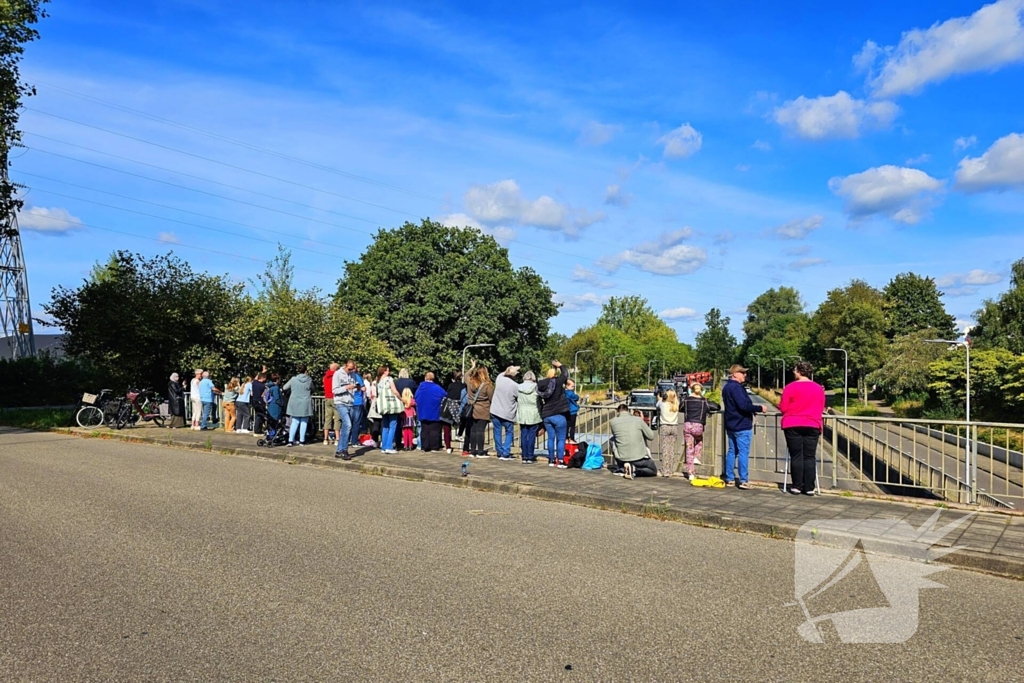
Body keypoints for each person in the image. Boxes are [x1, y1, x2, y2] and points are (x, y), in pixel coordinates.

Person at [779, 360, 826, 496]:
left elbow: (783, 407)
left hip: (793, 423)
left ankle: (797, 486)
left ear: (799, 372)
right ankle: (809, 487)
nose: (793, 373)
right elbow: (821, 406)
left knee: (796, 455)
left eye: (794, 370)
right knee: (809, 456)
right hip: (812, 424)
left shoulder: (790, 387)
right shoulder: (818, 388)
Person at [722, 364, 765, 489]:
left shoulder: (726, 387)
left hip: (731, 424)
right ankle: (743, 480)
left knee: (732, 451)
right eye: (742, 372)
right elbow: (743, 405)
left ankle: (729, 478)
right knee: (743, 453)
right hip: (741, 424)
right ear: (735, 374)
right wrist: (760, 408)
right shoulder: (737, 388)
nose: (745, 375)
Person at [609, 403, 658, 479]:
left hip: (622, 458)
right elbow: (651, 436)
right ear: (628, 411)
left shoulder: (613, 422)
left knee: (612, 439)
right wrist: (642, 422)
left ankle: (622, 467)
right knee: (653, 470)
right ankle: (635, 470)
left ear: (617, 412)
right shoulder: (638, 420)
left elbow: (616, 436)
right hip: (639, 458)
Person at [682, 383, 719, 480]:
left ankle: (691, 473)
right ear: (701, 391)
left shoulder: (686, 400)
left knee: (689, 448)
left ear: (691, 390)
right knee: (699, 440)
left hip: (687, 425)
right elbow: (716, 406)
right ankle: (697, 457)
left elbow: (680, 407)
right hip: (698, 426)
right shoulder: (704, 401)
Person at [538, 361, 569, 467]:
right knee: (561, 439)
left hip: (547, 415)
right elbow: (565, 374)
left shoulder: (542, 384)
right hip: (559, 414)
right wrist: (560, 365)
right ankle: (560, 460)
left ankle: (551, 460)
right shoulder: (558, 382)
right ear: (555, 375)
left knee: (550, 438)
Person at [490, 366, 520, 461]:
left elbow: (503, 373)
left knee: (497, 432)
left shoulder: (499, 378)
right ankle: (506, 452)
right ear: (514, 376)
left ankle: (499, 451)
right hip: (507, 413)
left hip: (495, 410)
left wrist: (511, 368)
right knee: (509, 432)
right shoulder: (515, 386)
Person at [465, 364, 493, 458]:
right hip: (483, 410)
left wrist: (472, 367)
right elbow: (491, 398)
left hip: (471, 409)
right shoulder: (487, 385)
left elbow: (466, 375)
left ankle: (473, 451)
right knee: (480, 430)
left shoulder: (470, 382)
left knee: (473, 430)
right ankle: (480, 451)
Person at [414, 372, 447, 452]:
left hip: (422, 412)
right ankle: (434, 447)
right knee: (434, 430)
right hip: (434, 412)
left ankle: (425, 447)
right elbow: (445, 395)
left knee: (424, 430)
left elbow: (416, 397)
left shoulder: (420, 388)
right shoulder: (437, 388)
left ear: (425, 378)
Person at [332, 360, 358, 460]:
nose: (351, 371)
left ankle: (339, 451)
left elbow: (353, 388)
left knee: (345, 428)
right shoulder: (337, 374)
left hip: (350, 402)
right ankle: (344, 450)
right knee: (348, 424)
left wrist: (356, 388)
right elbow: (334, 390)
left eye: (352, 369)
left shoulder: (353, 375)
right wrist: (346, 387)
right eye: (349, 369)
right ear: (345, 366)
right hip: (340, 402)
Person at [376, 366, 404, 454]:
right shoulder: (389, 379)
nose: (389, 372)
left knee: (385, 426)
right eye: (387, 370)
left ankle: (384, 447)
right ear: (384, 371)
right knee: (393, 425)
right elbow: (394, 391)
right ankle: (389, 446)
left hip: (383, 405)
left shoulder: (378, 381)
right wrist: (401, 399)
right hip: (391, 405)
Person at [283, 364, 314, 446]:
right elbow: (313, 389)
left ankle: (290, 440)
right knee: (304, 422)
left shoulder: (293, 379)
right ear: (306, 371)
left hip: (295, 402)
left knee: (294, 422)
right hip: (305, 402)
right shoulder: (309, 380)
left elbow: (284, 387)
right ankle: (302, 440)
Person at [516, 371, 542, 464]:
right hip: (533, 412)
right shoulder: (536, 387)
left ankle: (524, 456)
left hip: (522, 413)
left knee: (523, 434)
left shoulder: (518, 387)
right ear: (533, 378)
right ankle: (530, 456)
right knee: (532, 435)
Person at [656, 389, 680, 477]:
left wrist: (659, 398)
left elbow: (657, 405)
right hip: (674, 427)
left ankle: (665, 470)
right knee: (671, 449)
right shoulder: (676, 404)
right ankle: (670, 469)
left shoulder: (662, 404)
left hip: (665, 426)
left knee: (665, 449)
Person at [444, 371, 465, 454]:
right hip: (459, 407)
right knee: (463, 422)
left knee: (447, 427)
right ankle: (459, 434)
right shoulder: (464, 386)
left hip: (449, 407)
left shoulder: (450, 385)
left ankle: (448, 447)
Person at [322, 362, 341, 446]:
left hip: (327, 398)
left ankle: (325, 439)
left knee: (327, 419)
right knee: (337, 419)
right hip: (335, 398)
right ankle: (337, 439)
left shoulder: (325, 376)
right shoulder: (337, 376)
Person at [349, 365, 366, 449]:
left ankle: (347, 440)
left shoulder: (346, 376)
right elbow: (363, 388)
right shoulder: (357, 376)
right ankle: (354, 441)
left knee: (348, 422)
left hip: (348, 401)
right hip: (357, 401)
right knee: (356, 422)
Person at [363, 372, 381, 444]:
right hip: (381, 403)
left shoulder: (373, 383)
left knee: (375, 422)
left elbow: (370, 394)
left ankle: (375, 440)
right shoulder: (383, 383)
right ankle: (382, 441)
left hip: (374, 403)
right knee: (383, 423)